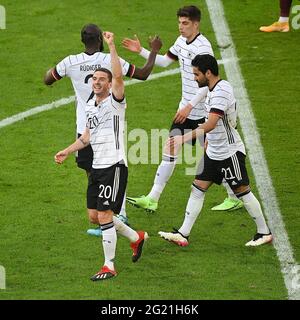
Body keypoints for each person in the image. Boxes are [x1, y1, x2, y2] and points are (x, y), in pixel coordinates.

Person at [45, 24, 162, 236]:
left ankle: (113, 218)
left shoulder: (70, 62)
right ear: (100, 39)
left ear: (82, 41)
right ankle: (111, 217)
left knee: (97, 172)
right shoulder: (109, 61)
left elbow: (48, 79)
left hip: (84, 128)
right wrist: (153, 50)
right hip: (106, 128)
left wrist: (63, 71)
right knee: (104, 172)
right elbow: (143, 74)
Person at [123, 5, 243, 212]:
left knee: (216, 155)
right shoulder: (180, 41)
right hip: (185, 109)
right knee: (170, 147)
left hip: (204, 112)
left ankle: (235, 196)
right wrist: (142, 50)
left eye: (185, 23)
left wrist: (190, 105)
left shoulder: (203, 48)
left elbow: (209, 83)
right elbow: (163, 62)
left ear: (196, 24)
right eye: (179, 22)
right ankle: (153, 198)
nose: (181, 27)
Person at [55, 31, 150, 281]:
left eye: (101, 79)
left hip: (114, 166)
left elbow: (119, 75)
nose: (96, 82)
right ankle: (135, 237)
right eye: (94, 79)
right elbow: (85, 138)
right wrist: (67, 150)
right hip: (97, 167)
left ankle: (109, 265)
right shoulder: (89, 106)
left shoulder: (116, 102)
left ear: (109, 84)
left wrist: (111, 46)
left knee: (106, 215)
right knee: (95, 216)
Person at [158, 54, 273, 247]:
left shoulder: (221, 91)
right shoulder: (211, 89)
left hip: (229, 153)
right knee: (197, 188)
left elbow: (211, 123)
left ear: (208, 73)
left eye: (196, 74)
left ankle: (264, 232)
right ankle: (183, 233)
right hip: (213, 152)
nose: (194, 78)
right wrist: (207, 143)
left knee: (242, 191)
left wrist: (182, 138)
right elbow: (211, 124)